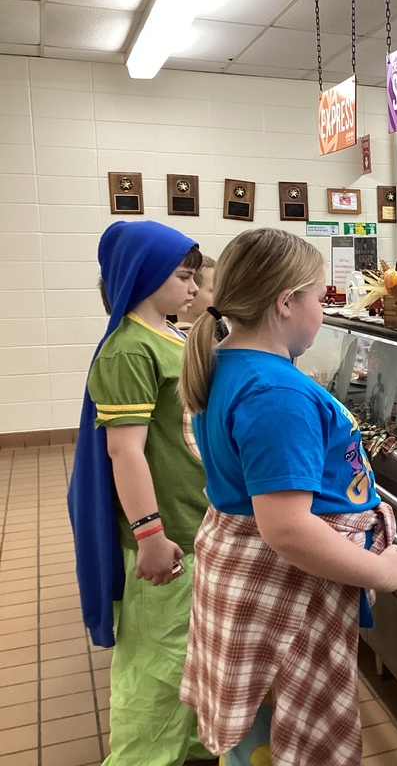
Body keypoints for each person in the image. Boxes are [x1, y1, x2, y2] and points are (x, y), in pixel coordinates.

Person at [177, 227, 397, 765]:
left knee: (259, 743)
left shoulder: (230, 365)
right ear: (285, 302)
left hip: (254, 580)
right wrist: (384, 571)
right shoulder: (277, 393)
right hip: (284, 594)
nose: (323, 309)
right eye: (319, 297)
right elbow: (287, 528)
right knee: (285, 745)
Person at [67, 220, 216, 765]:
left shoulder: (172, 336)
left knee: (194, 652)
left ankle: (196, 747)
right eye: (184, 277)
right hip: (167, 534)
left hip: (197, 526)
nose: (195, 288)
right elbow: (124, 453)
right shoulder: (129, 350)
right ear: (146, 276)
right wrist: (149, 534)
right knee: (156, 664)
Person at [174, 254, 216, 334]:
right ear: (188, 296)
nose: (220, 295)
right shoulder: (175, 338)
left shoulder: (221, 330)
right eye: (213, 290)